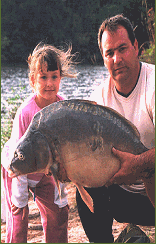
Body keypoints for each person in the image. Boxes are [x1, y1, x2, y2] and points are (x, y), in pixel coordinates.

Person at [76, 14, 155, 243]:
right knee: (87, 191)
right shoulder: (98, 99)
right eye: (109, 53)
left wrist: (140, 165)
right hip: (122, 195)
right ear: (103, 58)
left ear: (136, 47)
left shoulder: (153, 84)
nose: (117, 59)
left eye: (122, 49)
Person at [2, 42, 77, 243]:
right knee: (19, 219)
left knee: (58, 214)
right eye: (43, 77)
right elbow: (17, 157)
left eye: (54, 76)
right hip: (16, 169)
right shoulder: (25, 113)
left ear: (61, 78)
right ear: (34, 80)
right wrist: (20, 199)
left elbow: (63, 152)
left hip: (46, 170)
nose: (49, 83)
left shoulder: (63, 108)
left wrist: (61, 196)